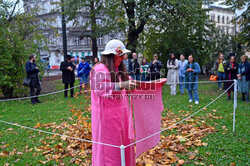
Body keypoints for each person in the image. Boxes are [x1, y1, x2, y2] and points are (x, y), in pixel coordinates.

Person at [90, 39, 139, 166]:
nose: (124, 57)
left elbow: (129, 81)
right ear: (112, 55)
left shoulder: (118, 68)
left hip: (121, 116)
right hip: (107, 119)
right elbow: (100, 87)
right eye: (121, 55)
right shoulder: (99, 68)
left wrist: (151, 84)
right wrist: (122, 84)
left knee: (124, 146)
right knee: (111, 150)